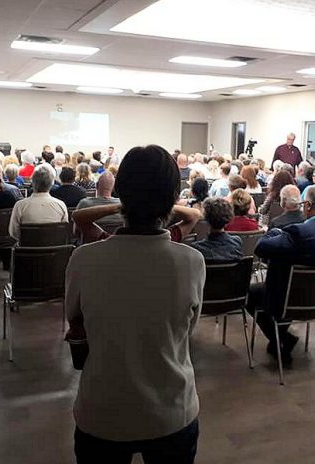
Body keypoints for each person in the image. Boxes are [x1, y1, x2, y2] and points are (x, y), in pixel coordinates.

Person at [66, 145, 204, 462]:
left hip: (101, 410)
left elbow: (75, 319)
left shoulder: (85, 258)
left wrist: (122, 205)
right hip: (173, 408)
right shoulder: (191, 261)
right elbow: (188, 329)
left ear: (120, 191)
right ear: (173, 195)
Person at [246, 186, 315, 361]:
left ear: (308, 205)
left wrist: (273, 232)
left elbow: (261, 248)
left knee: (250, 293)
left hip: (290, 300)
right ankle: (279, 340)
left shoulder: (298, 232)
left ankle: (281, 337)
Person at [9, 164, 68, 241]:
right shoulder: (60, 205)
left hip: (27, 249)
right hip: (54, 249)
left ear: (32, 183)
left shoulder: (20, 206)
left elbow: (13, 233)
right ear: (51, 184)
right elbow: (63, 231)